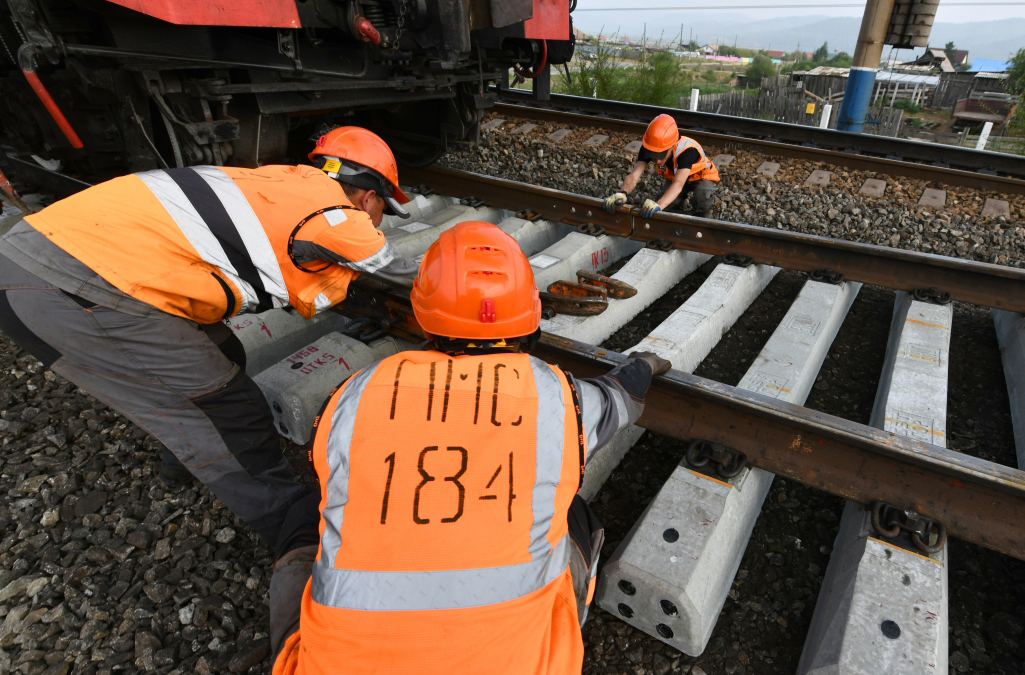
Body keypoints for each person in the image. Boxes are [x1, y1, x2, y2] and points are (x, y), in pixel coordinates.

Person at [269, 221, 672, 675]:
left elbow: (331, 473)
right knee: (571, 509)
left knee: (309, 512)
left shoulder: (356, 392)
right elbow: (622, 399)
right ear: (530, 316)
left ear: (423, 314)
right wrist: (639, 368)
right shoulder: (557, 397)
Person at [0, 126, 420, 549]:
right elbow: (413, 280)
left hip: (34, 254)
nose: (378, 221)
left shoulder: (282, 181)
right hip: (72, 288)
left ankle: (183, 458)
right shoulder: (340, 217)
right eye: (384, 210)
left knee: (224, 351)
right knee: (230, 409)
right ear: (369, 197)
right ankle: (295, 528)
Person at [603, 113, 721, 219]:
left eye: (661, 155)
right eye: (654, 156)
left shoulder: (687, 151)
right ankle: (676, 213)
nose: (658, 162)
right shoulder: (649, 146)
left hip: (699, 176)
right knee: (667, 205)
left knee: (702, 196)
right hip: (676, 177)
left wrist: (659, 205)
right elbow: (634, 175)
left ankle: (701, 216)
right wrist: (622, 193)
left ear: (672, 145)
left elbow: (678, 184)